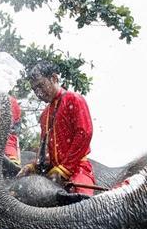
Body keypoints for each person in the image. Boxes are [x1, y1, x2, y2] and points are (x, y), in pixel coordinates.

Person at [18, 60, 96, 196]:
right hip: (53, 173)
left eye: (41, 85)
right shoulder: (44, 115)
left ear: (54, 78)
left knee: (82, 201)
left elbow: (84, 134)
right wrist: (33, 166)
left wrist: (65, 169)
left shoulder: (74, 99)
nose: (39, 93)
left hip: (77, 169)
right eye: (35, 89)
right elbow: (45, 149)